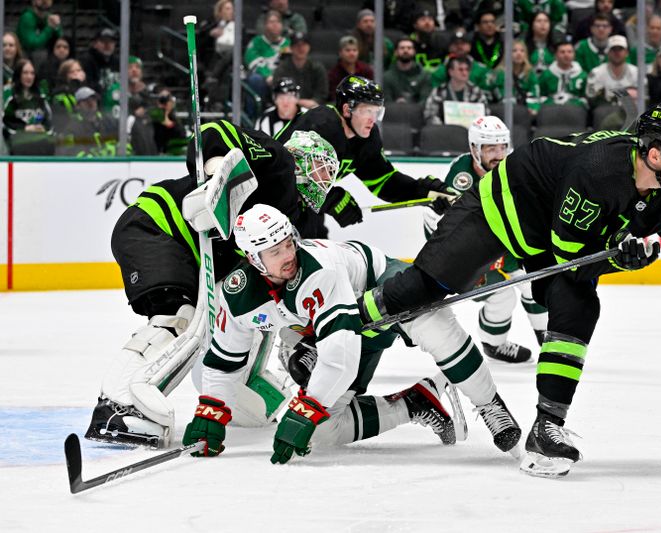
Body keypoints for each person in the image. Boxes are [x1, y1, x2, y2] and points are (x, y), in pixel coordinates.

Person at [358, 102, 661, 477]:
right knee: (426, 286)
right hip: (504, 206)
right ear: (656, 154)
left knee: (579, 305)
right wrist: (617, 261)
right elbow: (570, 259)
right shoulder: (598, 172)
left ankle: (546, 428)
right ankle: (347, 323)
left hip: (550, 231)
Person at [183, 204, 521, 459]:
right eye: (275, 251)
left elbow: (339, 358)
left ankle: (490, 404)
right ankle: (418, 402)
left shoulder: (317, 272)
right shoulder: (237, 294)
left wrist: (305, 407)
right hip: (335, 325)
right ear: (253, 259)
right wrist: (210, 409)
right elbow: (224, 359)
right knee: (323, 433)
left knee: (431, 322)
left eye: (288, 243)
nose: (289, 255)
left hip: (379, 287)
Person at [83, 126, 339, 447]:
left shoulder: (293, 220)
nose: (325, 178)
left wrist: (300, 337)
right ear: (300, 158)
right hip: (159, 225)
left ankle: (249, 388)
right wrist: (216, 169)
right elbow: (214, 132)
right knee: (178, 316)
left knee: (247, 316)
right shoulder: (279, 164)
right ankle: (117, 405)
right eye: (321, 167)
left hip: (196, 257)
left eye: (331, 172)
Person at [423, 115, 548, 361]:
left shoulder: (511, 167)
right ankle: (494, 344)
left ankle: (548, 341)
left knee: (535, 283)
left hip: (503, 249)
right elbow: (451, 231)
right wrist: (437, 210)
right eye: (491, 148)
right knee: (503, 295)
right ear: (474, 149)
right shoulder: (462, 175)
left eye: (502, 146)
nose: (499, 154)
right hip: (468, 259)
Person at [276, 76, 457, 238]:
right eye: (367, 111)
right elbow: (283, 173)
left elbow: (384, 182)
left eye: (377, 112)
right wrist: (332, 199)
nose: (373, 119)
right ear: (347, 110)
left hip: (308, 210)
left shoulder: (366, 139)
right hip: (273, 203)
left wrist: (422, 191)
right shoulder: (320, 124)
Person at [3, 58, 54, 155]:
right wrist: (24, 128)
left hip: (39, 144)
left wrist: (42, 127)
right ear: (18, 74)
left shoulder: (40, 95)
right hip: (14, 145)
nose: (29, 76)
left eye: (32, 73)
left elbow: (48, 120)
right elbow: (5, 121)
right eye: (25, 73)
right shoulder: (8, 94)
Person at [423, 56, 489, 125]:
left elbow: (486, 113)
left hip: (472, 131)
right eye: (461, 70)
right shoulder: (439, 92)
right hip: (446, 131)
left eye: (467, 70)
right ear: (451, 72)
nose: (465, 73)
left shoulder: (476, 91)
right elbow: (430, 114)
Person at [272, 32, 327, 110]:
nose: (301, 48)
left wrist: (314, 101)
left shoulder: (317, 68)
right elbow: (277, 93)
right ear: (291, 48)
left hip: (312, 109)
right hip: (287, 108)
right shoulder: (282, 69)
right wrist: (296, 102)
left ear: (309, 47)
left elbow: (322, 94)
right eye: (297, 45)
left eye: (304, 45)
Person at [492, 41, 542, 117]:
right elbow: (499, 94)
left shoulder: (530, 73)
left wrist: (532, 107)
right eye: (514, 51)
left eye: (522, 51)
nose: (518, 54)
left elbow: (534, 92)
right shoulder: (500, 73)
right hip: (504, 110)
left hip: (525, 110)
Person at [382, 37, 433, 104]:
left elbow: (425, 100)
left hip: (418, 112)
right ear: (396, 52)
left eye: (409, 48)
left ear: (414, 52)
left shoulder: (425, 76)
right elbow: (386, 101)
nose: (405, 51)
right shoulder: (387, 77)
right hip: (393, 112)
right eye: (402, 48)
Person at [538, 41, 587, 108]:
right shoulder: (547, 75)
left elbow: (585, 97)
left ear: (574, 54)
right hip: (551, 108)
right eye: (562, 52)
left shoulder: (582, 75)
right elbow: (540, 95)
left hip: (575, 109)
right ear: (556, 55)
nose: (566, 55)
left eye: (569, 52)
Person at [327, 36, 374, 103]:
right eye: (348, 50)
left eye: (354, 50)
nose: (352, 54)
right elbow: (334, 97)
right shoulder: (333, 74)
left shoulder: (366, 70)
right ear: (340, 53)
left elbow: (371, 93)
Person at [15, 0, 62, 66]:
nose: (45, 1)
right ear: (33, 1)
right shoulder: (27, 17)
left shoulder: (50, 17)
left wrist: (57, 28)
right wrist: (49, 28)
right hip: (26, 58)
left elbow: (61, 41)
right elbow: (32, 44)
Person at [79, 28, 119, 96]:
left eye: (111, 42)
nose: (107, 45)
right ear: (95, 44)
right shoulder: (87, 61)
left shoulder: (118, 61)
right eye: (103, 41)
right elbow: (88, 85)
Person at [524, 11, 555, 76]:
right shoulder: (523, 46)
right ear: (532, 25)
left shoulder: (556, 46)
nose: (543, 24)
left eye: (546, 21)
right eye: (539, 21)